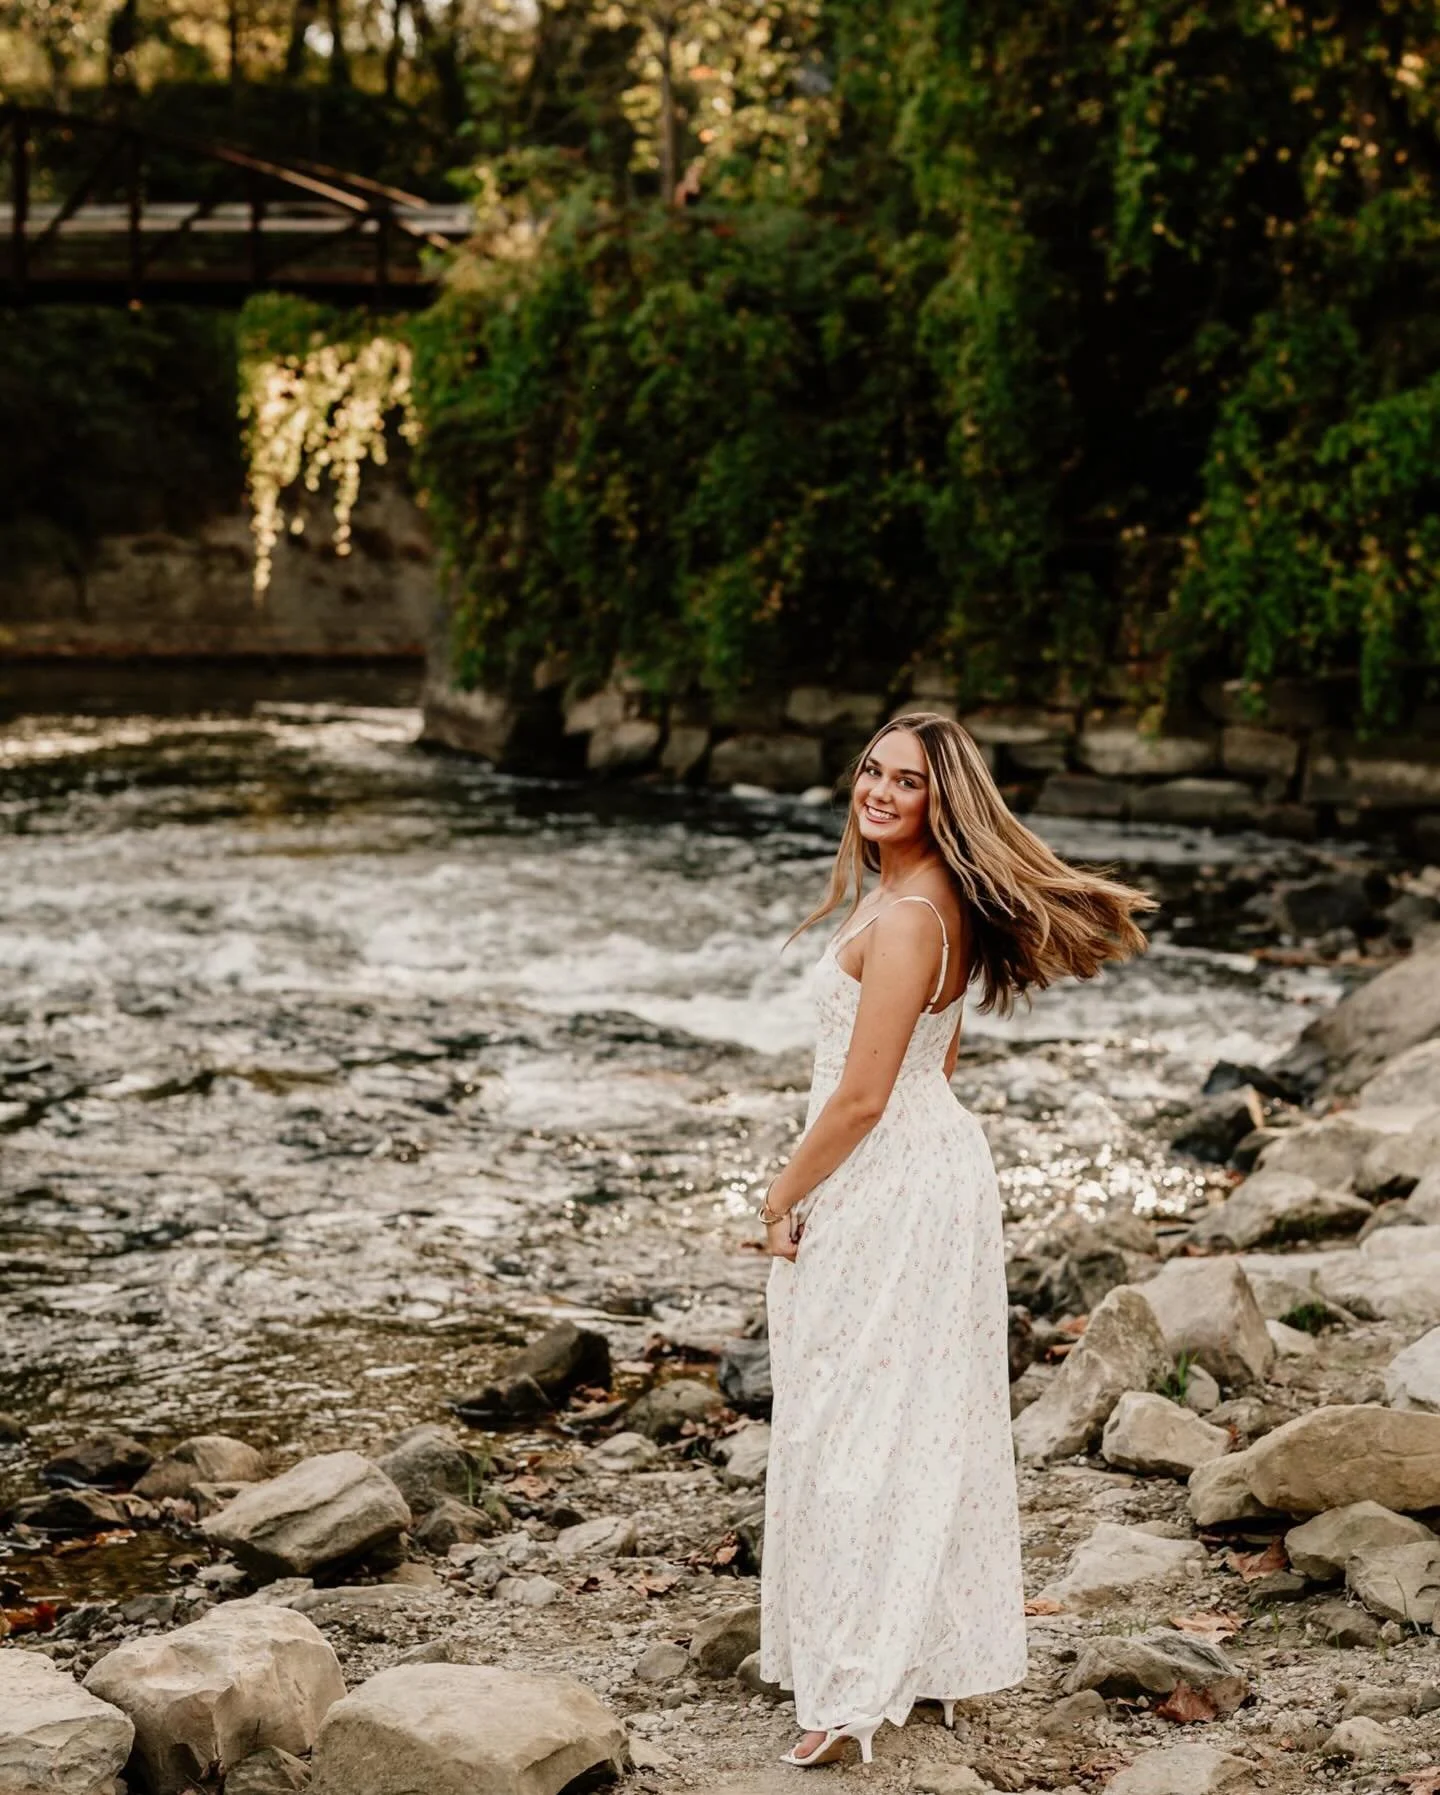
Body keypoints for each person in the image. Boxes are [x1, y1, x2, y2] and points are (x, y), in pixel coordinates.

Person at [758, 712, 1155, 1768]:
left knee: (853, 1427)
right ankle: (899, 1658)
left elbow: (860, 1097)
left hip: (887, 1174)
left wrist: (778, 1195)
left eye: (907, 782)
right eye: (872, 770)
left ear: (942, 800)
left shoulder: (907, 918)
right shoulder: (929, 900)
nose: (880, 791)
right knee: (902, 1417)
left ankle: (847, 1697)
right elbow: (939, 1060)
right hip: (927, 1165)